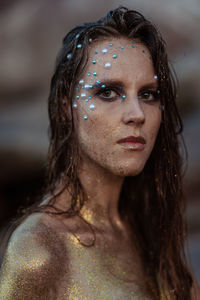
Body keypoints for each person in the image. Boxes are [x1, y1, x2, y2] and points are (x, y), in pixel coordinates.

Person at [0, 6, 199, 300]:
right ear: (66, 108)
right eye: (108, 92)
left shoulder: (148, 229)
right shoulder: (40, 247)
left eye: (148, 94)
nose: (137, 114)